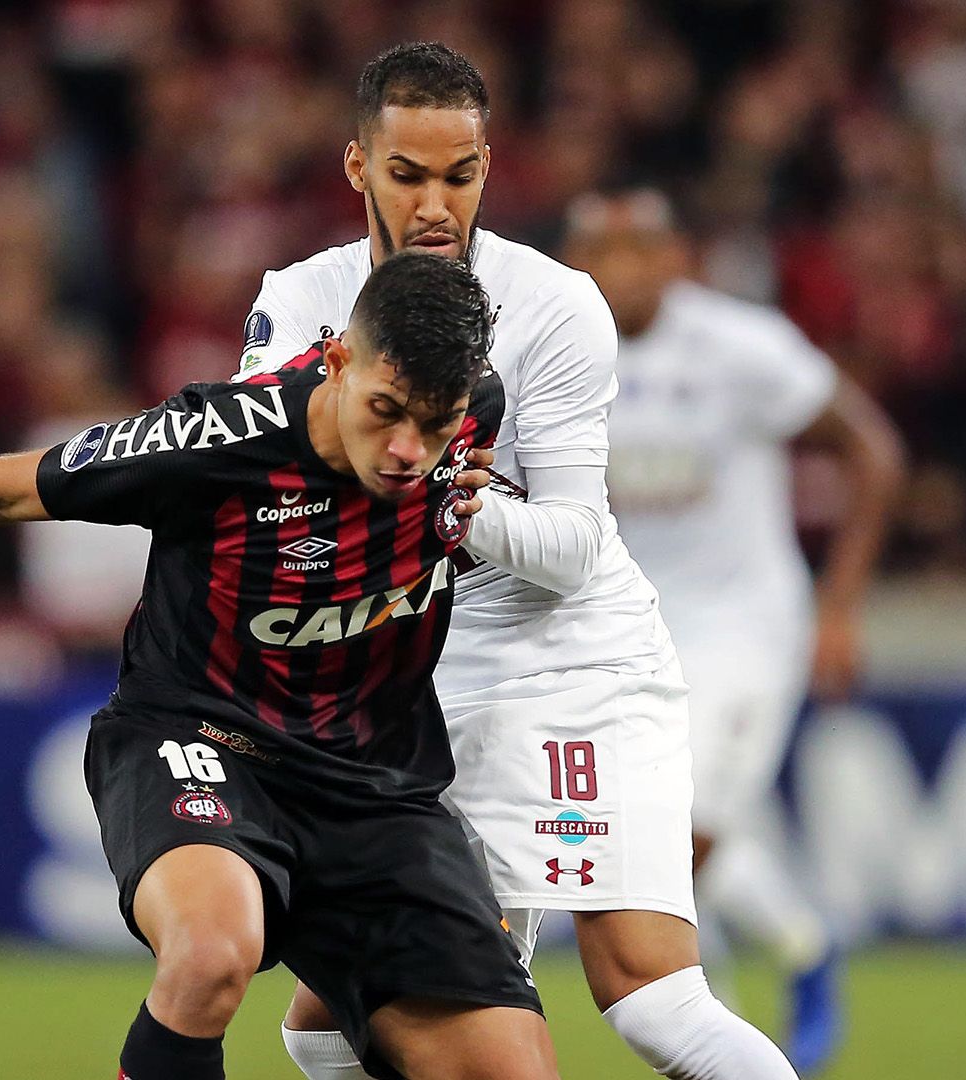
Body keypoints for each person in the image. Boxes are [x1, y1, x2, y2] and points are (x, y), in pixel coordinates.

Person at [0, 254, 563, 1080]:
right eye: (385, 412)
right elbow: (3, 485)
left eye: (433, 425)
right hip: (203, 739)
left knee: (512, 1073)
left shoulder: (472, 413)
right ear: (335, 362)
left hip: (375, 786)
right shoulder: (217, 438)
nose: (409, 450)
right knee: (212, 954)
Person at [242, 43, 799, 1080]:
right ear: (358, 167)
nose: (436, 203)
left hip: (568, 665)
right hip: (413, 681)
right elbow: (263, 496)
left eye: (461, 174)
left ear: (488, 164)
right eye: (408, 176)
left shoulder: (553, 305)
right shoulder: (296, 304)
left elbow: (576, 547)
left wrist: (457, 507)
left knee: (651, 992)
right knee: (327, 1020)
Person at [564, 188, 908, 1075]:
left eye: (643, 249)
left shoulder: (741, 348)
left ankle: (718, 1027)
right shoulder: (554, 354)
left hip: (743, 626)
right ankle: (797, 949)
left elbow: (871, 450)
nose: (625, 268)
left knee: (678, 836)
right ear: (575, 261)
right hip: (627, 630)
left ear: (678, 259)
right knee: (633, 832)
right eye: (605, 250)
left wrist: (840, 606)